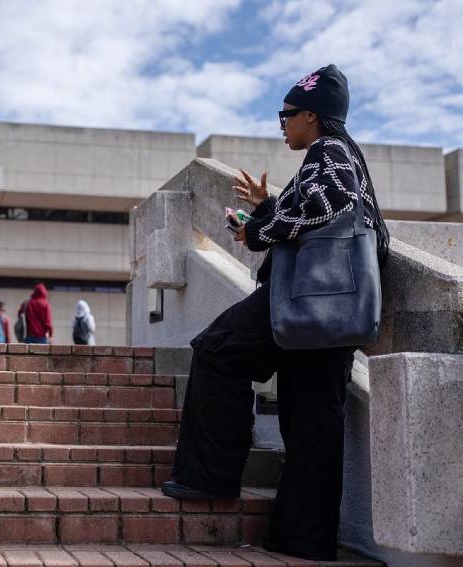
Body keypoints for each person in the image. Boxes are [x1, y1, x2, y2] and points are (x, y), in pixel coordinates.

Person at [160, 65, 389, 562]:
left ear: (313, 115)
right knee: (312, 424)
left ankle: (209, 477)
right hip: (336, 313)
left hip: (305, 300)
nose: (282, 124)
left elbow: (332, 200)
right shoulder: (345, 155)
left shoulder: (329, 151)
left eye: (286, 115)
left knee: (217, 349)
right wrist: (268, 208)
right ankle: (302, 541)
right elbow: (321, 213)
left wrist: (260, 229)